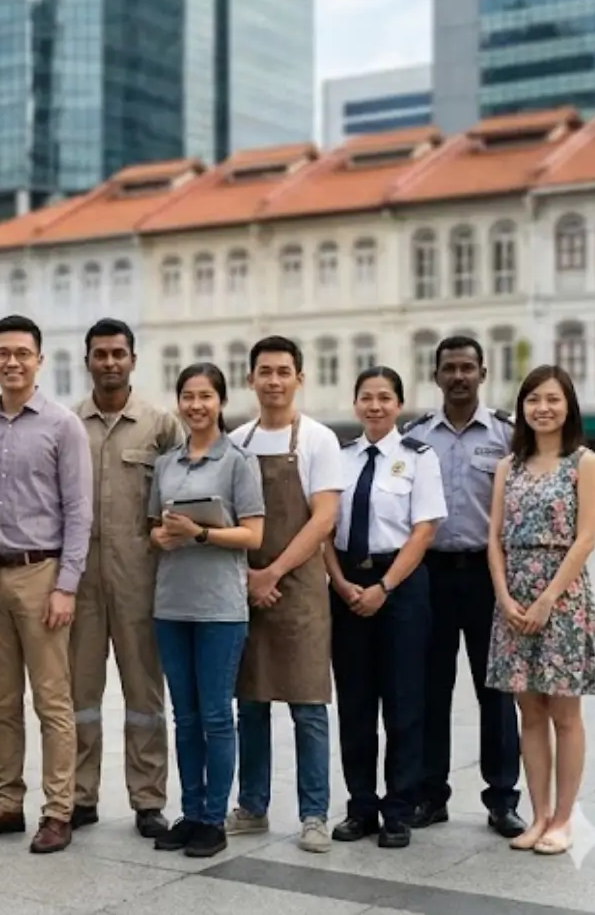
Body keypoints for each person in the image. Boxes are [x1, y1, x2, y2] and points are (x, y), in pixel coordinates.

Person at [0, 315, 92, 855]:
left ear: (39, 359)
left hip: (42, 575)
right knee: (0, 700)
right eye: (2, 353)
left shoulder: (63, 426)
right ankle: (7, 801)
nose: (12, 362)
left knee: (53, 700)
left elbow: (79, 512)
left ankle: (58, 810)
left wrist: (67, 585)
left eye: (22, 353)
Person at [402, 336, 523, 837]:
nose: (458, 376)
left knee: (495, 690)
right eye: (449, 368)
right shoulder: (415, 437)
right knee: (431, 690)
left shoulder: (506, 436)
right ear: (435, 376)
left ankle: (502, 800)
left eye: (467, 367)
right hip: (428, 576)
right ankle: (431, 795)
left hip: (485, 576)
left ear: (482, 373)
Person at [225, 336, 342, 853]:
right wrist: (252, 576)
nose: (274, 380)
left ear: (300, 378)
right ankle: (252, 806)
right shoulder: (237, 440)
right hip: (244, 586)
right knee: (249, 703)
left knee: (308, 706)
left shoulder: (318, 439)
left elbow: (324, 517)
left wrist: (273, 571)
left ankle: (314, 814)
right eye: (264, 371)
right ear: (250, 378)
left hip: (298, 592)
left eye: (283, 371)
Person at [486, 365, 595, 856]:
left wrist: (546, 599)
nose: (543, 408)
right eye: (533, 399)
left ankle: (563, 819)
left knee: (565, 712)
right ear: (522, 408)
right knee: (528, 712)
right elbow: (493, 537)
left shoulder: (585, 462)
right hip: (513, 596)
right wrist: (504, 594)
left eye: (552, 399)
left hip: (563, 596)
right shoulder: (507, 466)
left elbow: (587, 538)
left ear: (568, 406)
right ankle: (537, 816)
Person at [147, 363, 265, 859]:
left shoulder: (239, 460)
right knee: (185, 716)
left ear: (220, 401)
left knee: (217, 715)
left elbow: (254, 536)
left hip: (220, 607)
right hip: (172, 604)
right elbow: (153, 528)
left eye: (206, 397)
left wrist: (200, 534)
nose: (196, 406)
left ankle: (214, 818)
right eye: (188, 396)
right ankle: (190, 811)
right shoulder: (167, 463)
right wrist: (164, 534)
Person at [71, 319, 182, 837]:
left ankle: (148, 799)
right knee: (80, 696)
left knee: (144, 697)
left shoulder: (161, 426)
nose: (110, 362)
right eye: (101, 354)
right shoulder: (69, 424)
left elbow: (184, 490)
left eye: (119, 353)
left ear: (133, 359)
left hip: (142, 579)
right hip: (82, 580)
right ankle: (79, 794)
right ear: (87, 360)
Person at [327, 366, 446, 849]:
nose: (375, 406)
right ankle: (361, 807)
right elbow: (323, 527)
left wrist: (385, 587)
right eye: (366, 398)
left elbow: (424, 530)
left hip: (400, 587)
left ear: (399, 404)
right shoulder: (339, 458)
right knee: (355, 704)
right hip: (347, 586)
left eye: (385, 398)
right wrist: (340, 584)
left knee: (403, 704)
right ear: (355, 404)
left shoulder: (419, 457)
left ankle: (398, 808)